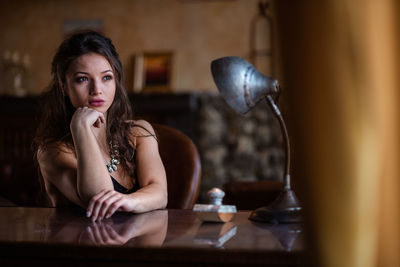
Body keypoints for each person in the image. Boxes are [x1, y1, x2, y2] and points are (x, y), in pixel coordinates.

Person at [33, 31, 167, 221]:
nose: (97, 90)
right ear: (64, 86)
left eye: (106, 77)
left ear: (116, 81)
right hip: (80, 248)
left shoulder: (138, 132)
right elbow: (100, 197)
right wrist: (80, 128)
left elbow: (160, 192)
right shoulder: (52, 151)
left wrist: (129, 201)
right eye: (82, 79)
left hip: (134, 243)